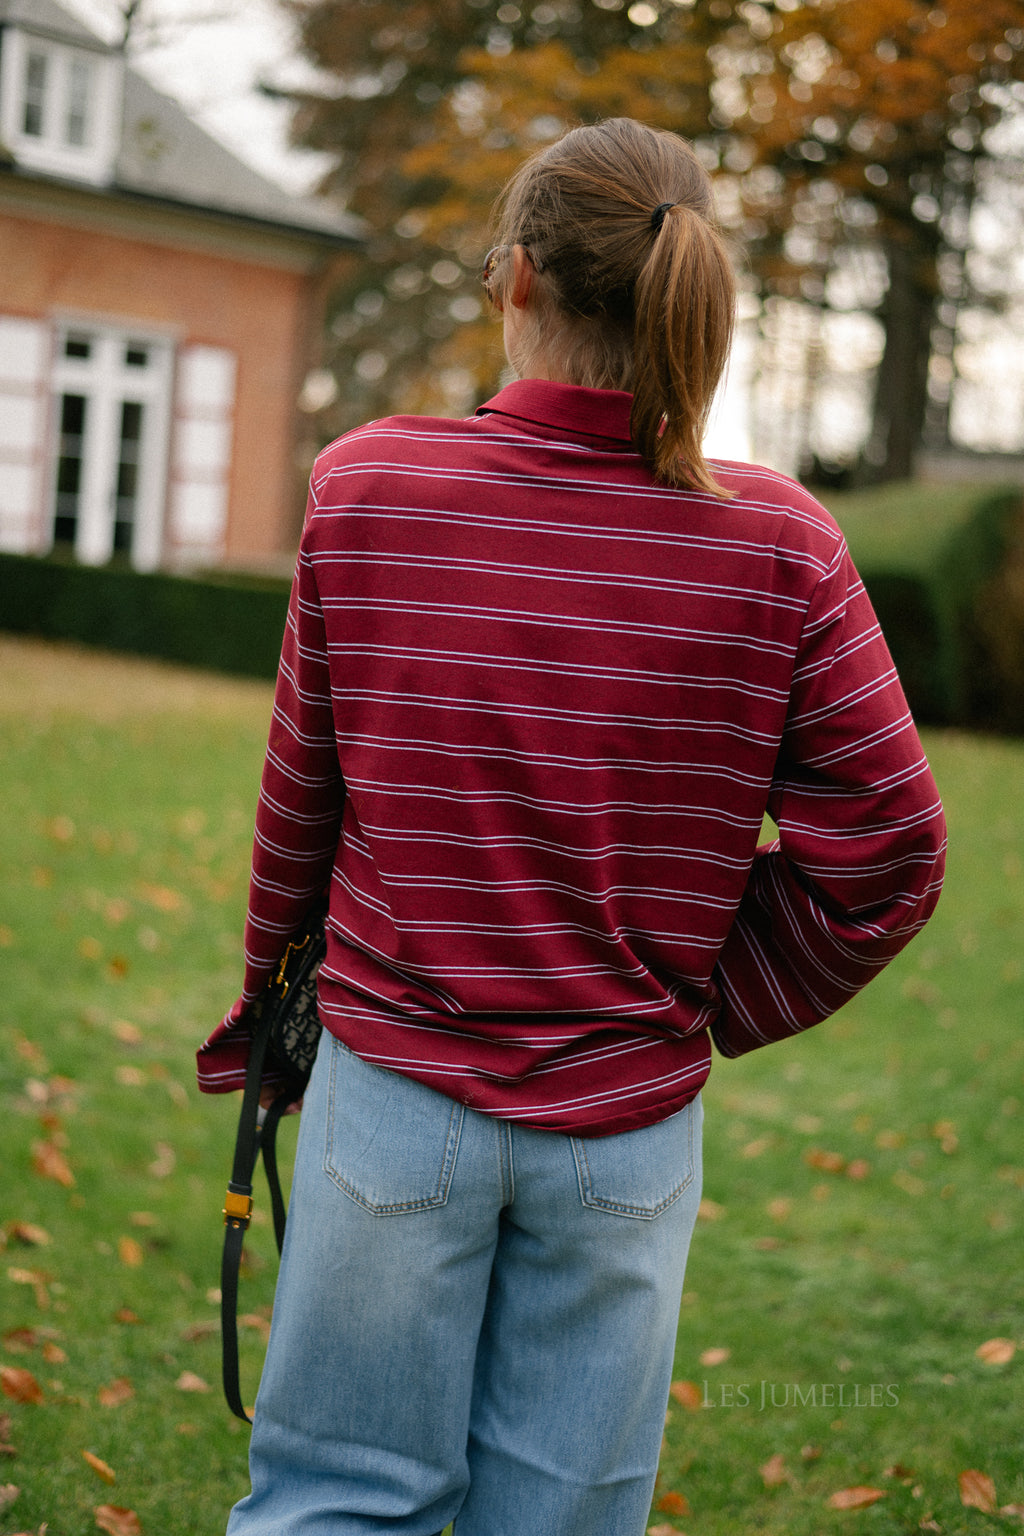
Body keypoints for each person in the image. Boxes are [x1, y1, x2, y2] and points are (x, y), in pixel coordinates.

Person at [197, 117, 946, 1536]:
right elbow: (893, 851)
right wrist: (707, 994)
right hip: (628, 1129)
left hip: (394, 1090)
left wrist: (265, 1022)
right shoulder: (785, 546)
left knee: (339, 1507)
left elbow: (301, 800)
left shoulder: (368, 486)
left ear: (518, 278)